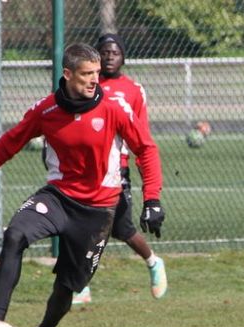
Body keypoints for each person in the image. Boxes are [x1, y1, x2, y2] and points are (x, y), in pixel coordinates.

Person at [0, 43, 164, 327]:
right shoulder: (47, 110)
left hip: (98, 210)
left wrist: (152, 198)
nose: (95, 80)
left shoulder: (115, 109)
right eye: (86, 74)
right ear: (67, 74)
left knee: (67, 286)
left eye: (96, 74)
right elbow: (13, 140)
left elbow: (145, 149)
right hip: (59, 197)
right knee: (15, 234)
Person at [71, 33, 167, 305]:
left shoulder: (133, 90)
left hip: (117, 169)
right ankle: (81, 286)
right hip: (85, 168)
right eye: (104, 52)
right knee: (85, 225)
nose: (110, 56)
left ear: (123, 56)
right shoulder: (86, 84)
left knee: (119, 229)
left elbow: (141, 135)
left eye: (115, 52)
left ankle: (152, 261)